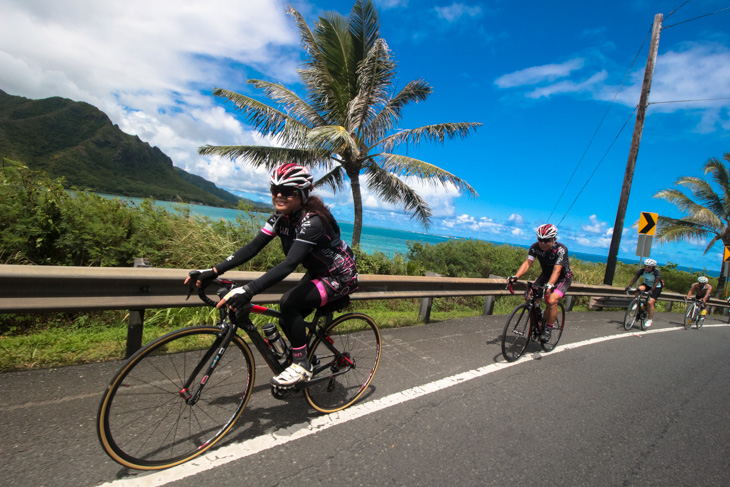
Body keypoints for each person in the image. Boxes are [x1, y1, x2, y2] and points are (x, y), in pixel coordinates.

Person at [185, 163, 359, 388]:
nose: (279, 195)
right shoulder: (281, 218)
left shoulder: (313, 220)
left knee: (289, 303)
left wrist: (249, 290)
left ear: (303, 193)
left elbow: (289, 264)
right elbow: (252, 248)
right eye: (274, 189)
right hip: (318, 273)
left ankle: (301, 365)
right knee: (288, 315)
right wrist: (214, 270)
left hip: (341, 275)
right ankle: (308, 358)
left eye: (287, 191)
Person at [508, 223, 572, 342]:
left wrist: (550, 285)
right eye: (540, 239)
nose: (542, 242)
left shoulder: (561, 249)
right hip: (546, 275)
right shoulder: (535, 247)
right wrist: (515, 276)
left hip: (562, 278)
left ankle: (548, 328)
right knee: (529, 296)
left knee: (552, 300)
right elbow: (528, 263)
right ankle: (538, 319)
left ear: (554, 239)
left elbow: (557, 270)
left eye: (546, 240)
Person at [624, 258, 663, 327]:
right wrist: (629, 286)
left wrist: (651, 291)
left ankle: (650, 319)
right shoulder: (642, 271)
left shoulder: (656, 272)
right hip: (647, 284)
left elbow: (656, 282)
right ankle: (636, 302)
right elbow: (635, 278)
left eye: (649, 267)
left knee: (650, 302)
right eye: (645, 266)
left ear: (653, 267)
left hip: (656, 287)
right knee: (638, 289)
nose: (646, 268)